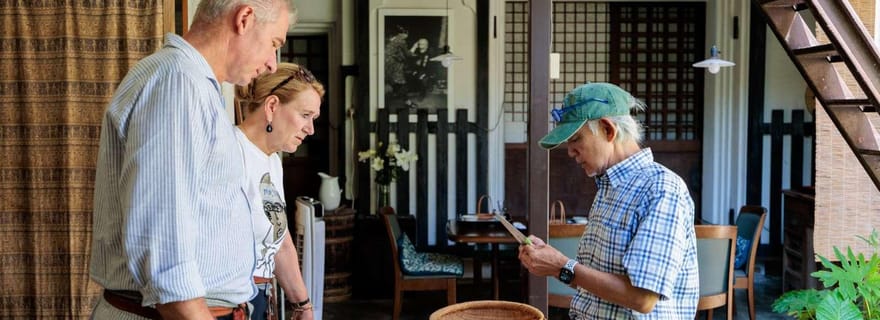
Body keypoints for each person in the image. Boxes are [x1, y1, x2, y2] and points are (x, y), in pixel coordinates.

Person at [89, 1, 295, 319]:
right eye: (273, 44)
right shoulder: (178, 82)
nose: (271, 64)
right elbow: (163, 255)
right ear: (245, 18)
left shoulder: (191, 83)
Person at [518, 82, 699, 319]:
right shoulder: (608, 187)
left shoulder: (661, 188)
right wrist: (554, 264)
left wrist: (562, 266)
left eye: (575, 139)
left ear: (608, 130)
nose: (570, 151)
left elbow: (642, 299)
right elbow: (596, 286)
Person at [234, 63, 324, 320]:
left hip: (259, 298)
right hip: (227, 303)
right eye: (305, 115)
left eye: (313, 119)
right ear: (272, 107)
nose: (311, 129)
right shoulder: (231, 151)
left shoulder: (272, 160)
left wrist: (303, 305)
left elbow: (281, 241)